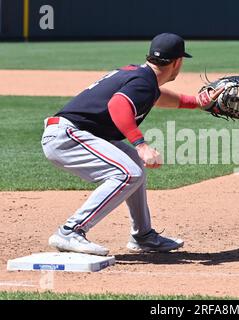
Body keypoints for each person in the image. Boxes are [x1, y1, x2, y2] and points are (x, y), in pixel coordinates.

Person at [41, 33, 223, 256]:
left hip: (72, 134)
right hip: (68, 136)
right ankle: (70, 230)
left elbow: (156, 95)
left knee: (134, 166)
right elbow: (118, 105)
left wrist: (195, 102)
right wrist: (141, 145)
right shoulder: (144, 82)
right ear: (177, 62)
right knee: (128, 173)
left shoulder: (141, 77)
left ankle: (143, 236)